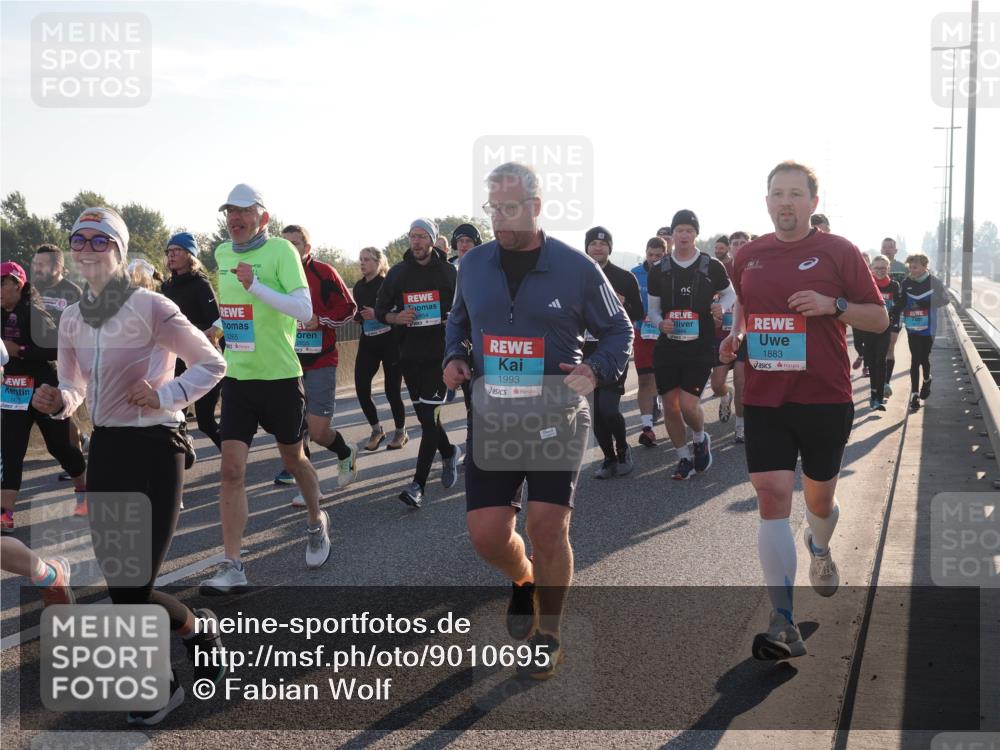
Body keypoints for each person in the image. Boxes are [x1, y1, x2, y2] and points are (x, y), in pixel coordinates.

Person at [31, 207, 228, 725]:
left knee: (134, 584)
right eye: (79, 239)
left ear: (119, 251)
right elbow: (75, 386)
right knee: (123, 584)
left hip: (157, 445)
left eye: (100, 240)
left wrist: (166, 393)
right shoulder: (72, 318)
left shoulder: (151, 306)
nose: (87, 249)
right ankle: (192, 636)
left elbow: (212, 363)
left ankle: (164, 678)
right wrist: (58, 400)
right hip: (108, 449)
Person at [444, 162, 632, 679]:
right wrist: (453, 355)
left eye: (509, 207)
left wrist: (596, 368)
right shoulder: (472, 265)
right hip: (493, 417)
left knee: (547, 525)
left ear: (535, 206)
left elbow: (619, 330)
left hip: (557, 416)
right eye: (493, 208)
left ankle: (548, 634)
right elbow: (458, 322)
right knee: (487, 535)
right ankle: (524, 578)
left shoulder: (576, 267)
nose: (498, 218)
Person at [720, 161, 887, 660]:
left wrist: (834, 305)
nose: (786, 202)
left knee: (818, 501)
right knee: (771, 495)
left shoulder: (839, 251)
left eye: (796, 194)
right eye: (778, 194)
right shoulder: (748, 255)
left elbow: (879, 319)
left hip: (824, 397)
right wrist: (737, 334)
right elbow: (744, 304)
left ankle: (820, 546)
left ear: (813, 203)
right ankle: (783, 621)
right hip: (766, 397)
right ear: (767, 201)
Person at [200, 184, 331, 596]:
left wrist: (256, 284)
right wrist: (217, 327)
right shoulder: (222, 254)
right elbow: (237, 308)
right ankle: (233, 565)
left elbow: (304, 310)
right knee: (231, 469)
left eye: (243, 211)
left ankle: (316, 520)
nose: (234, 219)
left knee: (294, 460)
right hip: (239, 378)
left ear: (263, 218)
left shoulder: (281, 252)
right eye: (229, 212)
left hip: (279, 378)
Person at [375, 218, 461, 508]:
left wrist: (454, 320)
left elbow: (466, 308)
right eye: (413, 236)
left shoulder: (448, 272)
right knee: (426, 418)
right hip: (409, 355)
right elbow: (380, 310)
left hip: (440, 356)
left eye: (422, 236)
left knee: (429, 419)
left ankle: (417, 485)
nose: (416, 241)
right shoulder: (398, 273)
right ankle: (448, 452)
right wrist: (395, 317)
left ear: (432, 240)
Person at [647, 210, 734, 480]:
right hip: (668, 347)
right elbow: (653, 310)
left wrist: (722, 306)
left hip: (700, 345)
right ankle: (683, 457)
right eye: (679, 230)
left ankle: (699, 437)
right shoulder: (659, 269)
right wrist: (660, 323)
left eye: (689, 230)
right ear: (672, 235)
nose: (684, 235)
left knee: (687, 404)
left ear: (696, 234)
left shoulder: (710, 266)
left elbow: (730, 294)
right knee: (670, 405)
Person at [2, 261, 87, 532]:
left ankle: (85, 492)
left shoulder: (34, 312)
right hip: (13, 391)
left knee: (59, 447)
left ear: (18, 285)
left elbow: (57, 348)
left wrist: (21, 351)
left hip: (45, 389)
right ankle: (5, 514)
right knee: (10, 449)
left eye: (2, 283)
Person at [277, 224, 358, 506]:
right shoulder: (275, 275)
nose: (289, 249)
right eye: (285, 244)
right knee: (296, 427)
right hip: (288, 361)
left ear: (307, 248)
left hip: (321, 359)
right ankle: (308, 488)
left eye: (295, 244)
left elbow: (349, 309)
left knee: (318, 431)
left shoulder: (324, 273)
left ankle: (345, 452)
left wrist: (320, 320)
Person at [582, 226, 643, 478]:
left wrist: (624, 303)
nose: (598, 247)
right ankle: (608, 458)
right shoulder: (576, 275)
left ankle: (623, 449)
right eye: (593, 243)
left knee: (608, 408)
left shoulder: (625, 277)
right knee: (595, 413)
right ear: (586, 247)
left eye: (603, 243)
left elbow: (639, 313)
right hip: (585, 351)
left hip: (614, 350)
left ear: (610, 248)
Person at [160, 232, 223, 449]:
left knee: (205, 422)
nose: (171, 255)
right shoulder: (167, 287)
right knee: (173, 419)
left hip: (201, 360)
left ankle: (233, 457)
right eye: (169, 251)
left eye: (177, 250)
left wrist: (190, 333)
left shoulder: (200, 284)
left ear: (190, 255)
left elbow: (215, 323)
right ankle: (180, 459)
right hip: (175, 361)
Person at [31, 244, 87, 477]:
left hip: (68, 359)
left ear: (58, 266)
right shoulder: (32, 290)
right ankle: (76, 460)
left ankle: (77, 464)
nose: (37, 268)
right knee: (60, 413)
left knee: (66, 413)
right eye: (35, 264)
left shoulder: (73, 292)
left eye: (42, 264)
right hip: (41, 360)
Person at [353, 246, 407, 452]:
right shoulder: (359, 287)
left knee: (392, 391)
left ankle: (400, 431)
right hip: (368, 342)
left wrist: (376, 313)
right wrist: (359, 317)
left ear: (378, 262)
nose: (362, 262)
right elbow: (359, 312)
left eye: (367, 259)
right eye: (361, 259)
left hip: (390, 342)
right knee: (361, 388)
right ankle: (376, 430)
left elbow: (397, 310)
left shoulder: (387, 284)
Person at [900, 253, 948, 412]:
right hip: (912, 326)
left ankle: (927, 380)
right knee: (915, 359)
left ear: (924, 266)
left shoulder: (934, 282)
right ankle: (915, 395)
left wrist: (927, 303)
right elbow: (901, 301)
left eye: (914, 267)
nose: (911, 270)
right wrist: (892, 312)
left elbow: (945, 299)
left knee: (923, 358)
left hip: (929, 328)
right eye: (910, 267)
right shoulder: (906, 282)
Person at [631, 237, 667, 447]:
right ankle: (647, 428)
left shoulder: (671, 272)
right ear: (645, 253)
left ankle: (664, 406)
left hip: (667, 333)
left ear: (665, 254)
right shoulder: (635, 274)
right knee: (645, 380)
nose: (653, 259)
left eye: (658, 256)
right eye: (650, 255)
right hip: (642, 333)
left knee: (664, 381)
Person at [859, 255, 901, 411]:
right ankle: (873, 395)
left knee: (881, 360)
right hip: (869, 327)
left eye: (883, 268)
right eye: (877, 268)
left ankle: (879, 397)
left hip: (885, 327)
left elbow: (898, 305)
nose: (880, 271)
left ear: (888, 268)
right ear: (871, 268)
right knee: (871, 361)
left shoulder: (894, 286)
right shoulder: (866, 285)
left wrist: (892, 317)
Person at [709, 234, 736, 426]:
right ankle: (726, 394)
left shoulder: (745, 267)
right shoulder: (711, 268)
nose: (718, 250)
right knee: (717, 384)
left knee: (743, 383)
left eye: (722, 247)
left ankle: (741, 428)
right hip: (719, 333)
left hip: (744, 333)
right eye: (716, 247)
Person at [728, 231, 753, 442]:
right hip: (737, 334)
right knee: (738, 380)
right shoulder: (723, 268)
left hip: (765, 330)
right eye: (735, 243)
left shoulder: (758, 266)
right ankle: (740, 425)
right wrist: (736, 330)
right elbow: (739, 300)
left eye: (744, 242)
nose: (739, 246)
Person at [882, 237, 908, 397]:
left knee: (890, 347)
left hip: (896, 313)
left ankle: (886, 382)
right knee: (878, 349)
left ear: (896, 250)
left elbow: (907, 288)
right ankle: (877, 378)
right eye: (885, 247)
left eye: (890, 247)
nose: (887, 249)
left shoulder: (902, 268)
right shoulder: (875, 266)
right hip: (876, 313)